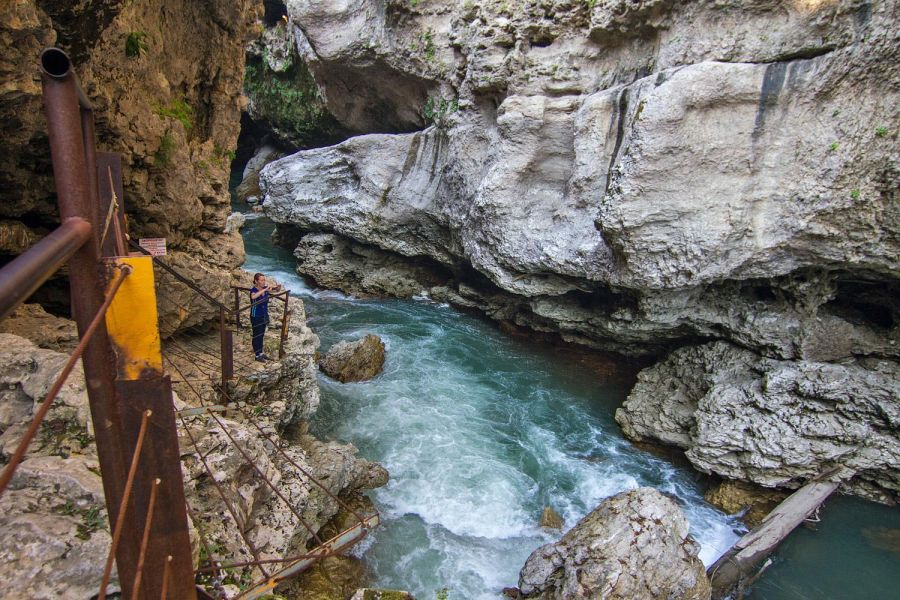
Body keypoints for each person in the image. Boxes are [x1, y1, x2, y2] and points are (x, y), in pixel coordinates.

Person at [249, 272, 276, 362]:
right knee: (257, 335)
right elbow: (253, 297)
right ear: (256, 281)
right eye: (261, 280)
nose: (263, 282)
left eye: (264, 280)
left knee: (261, 334)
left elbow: (276, 290)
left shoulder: (265, 288)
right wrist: (265, 290)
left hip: (264, 314)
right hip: (256, 315)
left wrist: (275, 287)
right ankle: (257, 355)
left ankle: (260, 353)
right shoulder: (254, 290)